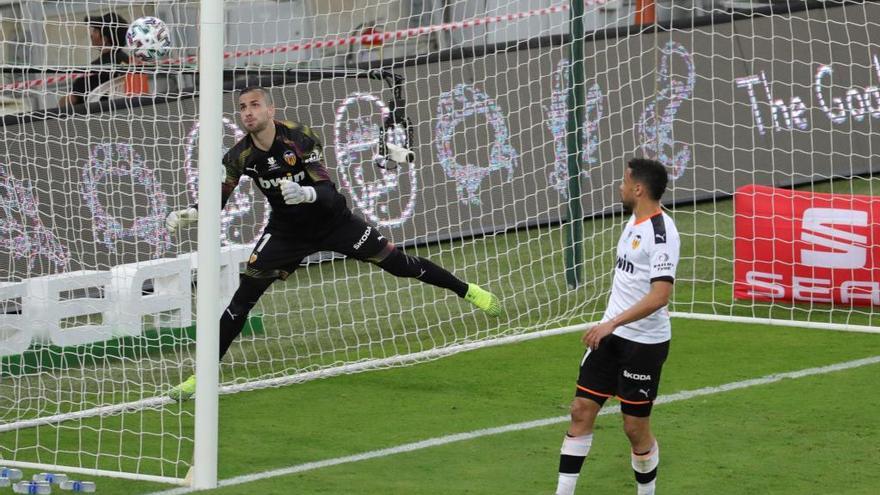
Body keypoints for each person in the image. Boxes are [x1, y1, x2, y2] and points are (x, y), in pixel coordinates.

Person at [165, 86, 503, 401]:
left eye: (254, 105)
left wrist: (305, 192)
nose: (247, 112)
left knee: (399, 265)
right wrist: (192, 214)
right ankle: (201, 378)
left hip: (334, 223)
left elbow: (326, 192)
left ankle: (468, 291)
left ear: (271, 108)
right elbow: (219, 198)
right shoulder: (239, 156)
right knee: (242, 301)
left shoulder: (299, 138)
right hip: (286, 234)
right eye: (242, 108)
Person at [555, 158, 680, 495]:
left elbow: (660, 295)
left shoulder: (662, 233)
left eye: (624, 182)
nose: (620, 187)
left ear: (638, 189)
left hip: (644, 344)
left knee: (634, 429)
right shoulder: (634, 221)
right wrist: (610, 325)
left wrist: (611, 322)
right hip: (611, 336)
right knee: (581, 410)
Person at [58, 12, 130, 108]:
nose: (91, 35)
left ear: (105, 39)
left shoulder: (95, 68)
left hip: (95, 115)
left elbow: (72, 100)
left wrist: (61, 102)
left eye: (95, 31)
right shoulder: (128, 61)